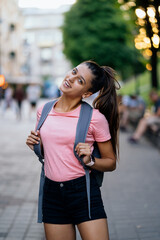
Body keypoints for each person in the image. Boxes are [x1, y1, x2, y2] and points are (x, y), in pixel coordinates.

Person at [26, 60, 120, 240]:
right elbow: (54, 152)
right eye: (74, 71)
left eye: (80, 80)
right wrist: (36, 145)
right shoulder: (43, 110)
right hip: (51, 192)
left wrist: (91, 160)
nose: (71, 77)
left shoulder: (95, 118)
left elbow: (111, 162)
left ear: (86, 93)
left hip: (83, 192)